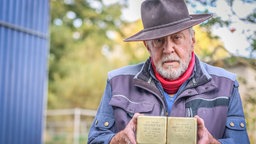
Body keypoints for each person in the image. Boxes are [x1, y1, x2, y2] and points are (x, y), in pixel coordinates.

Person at [88, 0, 250, 144]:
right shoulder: (117, 82)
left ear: (192, 40)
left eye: (177, 38)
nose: (168, 49)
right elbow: (95, 139)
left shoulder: (227, 85)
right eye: (159, 40)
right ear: (147, 46)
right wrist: (117, 140)